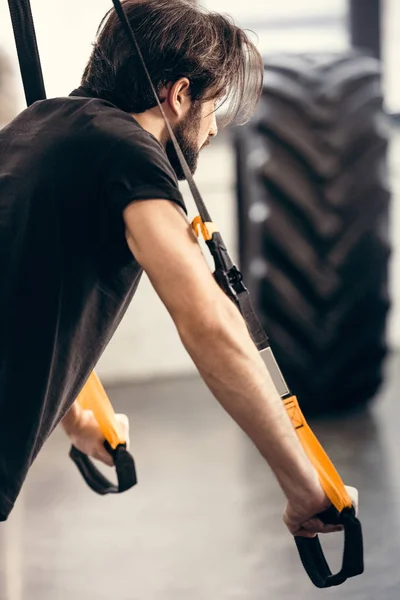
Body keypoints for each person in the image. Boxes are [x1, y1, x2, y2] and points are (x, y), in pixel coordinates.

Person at [0, 0, 356, 534]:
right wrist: (303, 486)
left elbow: (25, 285)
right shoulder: (127, 154)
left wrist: (75, 415)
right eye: (212, 105)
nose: (212, 131)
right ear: (180, 94)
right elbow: (207, 322)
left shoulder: (39, 125)